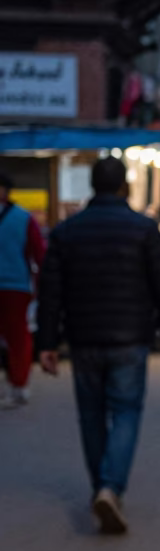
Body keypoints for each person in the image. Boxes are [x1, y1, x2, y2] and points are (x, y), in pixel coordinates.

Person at [36, 157, 160, 534]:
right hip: (130, 337)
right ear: (124, 187)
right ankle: (110, 485)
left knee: (91, 413)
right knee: (127, 411)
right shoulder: (144, 229)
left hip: (83, 337)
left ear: (92, 186)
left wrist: (47, 342)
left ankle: (101, 485)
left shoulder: (67, 231)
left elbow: (50, 291)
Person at [0, 173, 45, 409]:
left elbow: (38, 254)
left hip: (15, 285)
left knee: (17, 337)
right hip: (16, 285)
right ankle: (13, 382)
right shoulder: (24, 218)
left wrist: (39, 286)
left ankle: (19, 383)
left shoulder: (22, 219)